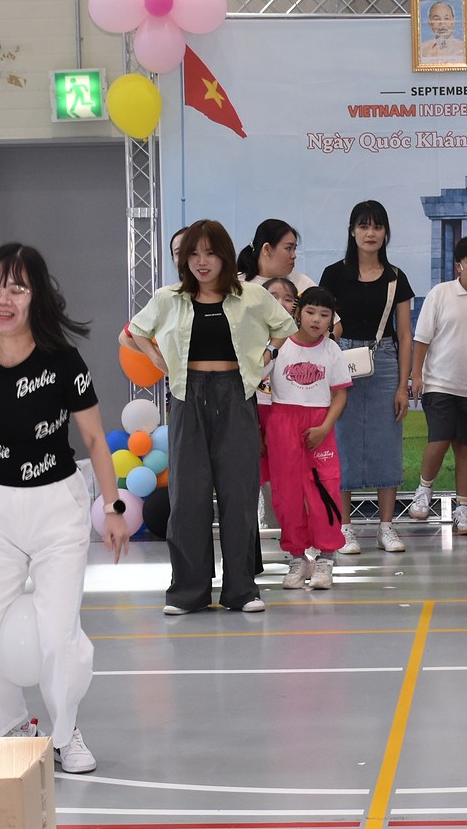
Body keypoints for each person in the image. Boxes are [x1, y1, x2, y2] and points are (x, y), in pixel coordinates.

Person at [0, 243, 128, 774]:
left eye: (16, 288)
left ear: (37, 296)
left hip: (57, 507)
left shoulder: (63, 361)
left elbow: (94, 439)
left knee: (58, 634)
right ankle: (6, 729)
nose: (3, 299)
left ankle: (66, 732)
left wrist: (112, 506)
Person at [126, 219, 296, 615]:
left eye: (210, 253)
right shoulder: (169, 298)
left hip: (236, 394)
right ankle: (187, 592)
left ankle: (242, 590)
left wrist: (267, 356)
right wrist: (157, 359)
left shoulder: (251, 295)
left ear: (225, 255)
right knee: (188, 496)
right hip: (188, 396)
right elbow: (134, 332)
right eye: (193, 254)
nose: (202, 262)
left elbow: (285, 326)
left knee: (239, 494)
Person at [318, 200, 415, 554]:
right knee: (341, 440)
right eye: (363, 226)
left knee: (386, 440)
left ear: (386, 232)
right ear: (352, 231)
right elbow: (320, 322)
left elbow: (404, 335)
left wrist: (403, 384)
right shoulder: (333, 274)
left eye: (377, 226)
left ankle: (386, 526)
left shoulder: (396, 278)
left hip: (384, 359)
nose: (370, 233)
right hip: (341, 358)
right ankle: (344, 527)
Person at [263, 286, 350, 592]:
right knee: (286, 495)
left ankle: (326, 558)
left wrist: (325, 427)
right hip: (282, 423)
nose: (316, 320)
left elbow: (340, 395)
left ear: (331, 320)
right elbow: (257, 380)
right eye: (310, 312)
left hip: (319, 424)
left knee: (324, 490)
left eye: (324, 315)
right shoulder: (279, 345)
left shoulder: (332, 351)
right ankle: (297, 558)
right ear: (298, 313)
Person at [409, 235, 467, 536]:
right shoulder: (441, 293)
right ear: (459, 264)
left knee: (466, 446)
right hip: (439, 382)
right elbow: (422, 338)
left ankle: (463, 510)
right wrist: (416, 375)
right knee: (440, 437)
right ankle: (423, 491)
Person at [238, 219, 314, 295]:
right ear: (267, 249)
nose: (294, 256)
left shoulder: (304, 284)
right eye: (288, 248)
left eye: (294, 249)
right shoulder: (238, 285)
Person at [419, 0, 466, 65]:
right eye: (437, 19)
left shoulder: (464, 48)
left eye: (446, 18)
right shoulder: (422, 49)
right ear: (429, 23)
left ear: (454, 21)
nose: (442, 23)